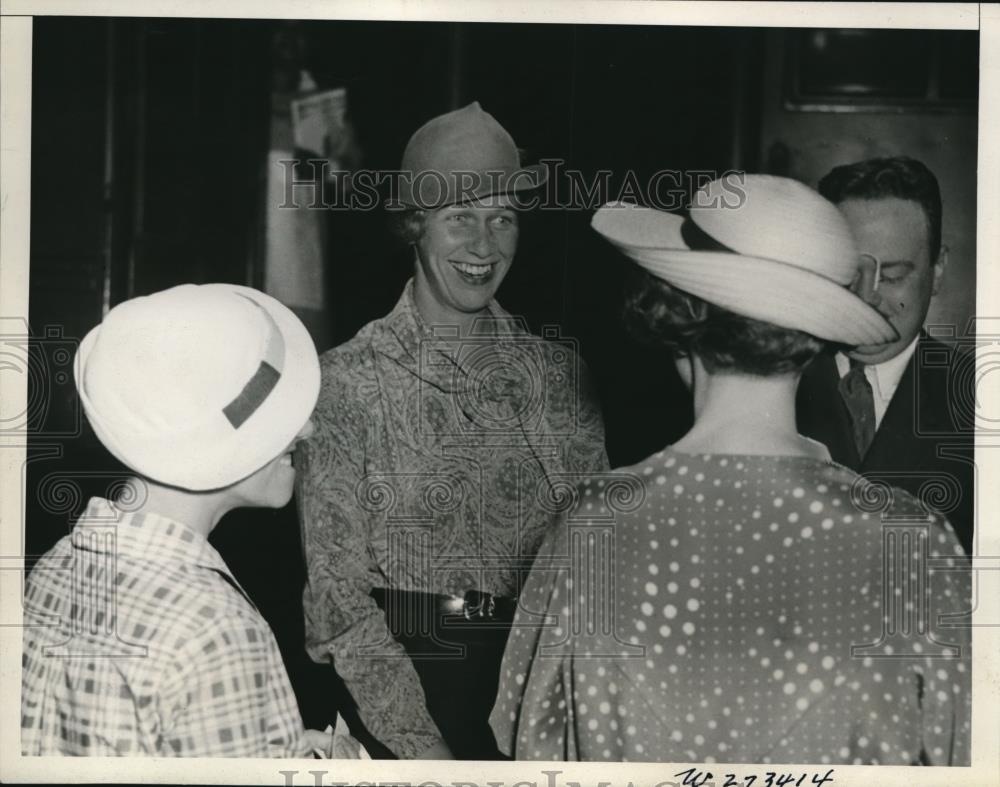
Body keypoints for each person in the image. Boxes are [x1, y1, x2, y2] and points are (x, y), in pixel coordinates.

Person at [490, 175, 971, 764]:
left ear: (679, 324)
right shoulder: (914, 539)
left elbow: (531, 745)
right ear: (815, 335)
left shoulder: (593, 527)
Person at [297, 102, 609, 760]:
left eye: (503, 217)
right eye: (460, 216)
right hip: (398, 699)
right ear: (415, 223)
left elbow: (594, 569)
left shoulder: (559, 378)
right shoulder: (347, 382)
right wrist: (425, 752)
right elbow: (337, 598)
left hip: (539, 698)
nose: (485, 245)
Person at [20, 283, 344, 757]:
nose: (308, 427)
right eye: (275, 412)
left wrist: (268, 749)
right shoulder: (217, 629)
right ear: (216, 445)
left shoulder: (54, 566)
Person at [797, 156, 974, 555]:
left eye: (893, 276)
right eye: (848, 273)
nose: (867, 298)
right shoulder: (769, 382)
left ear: (939, 271)